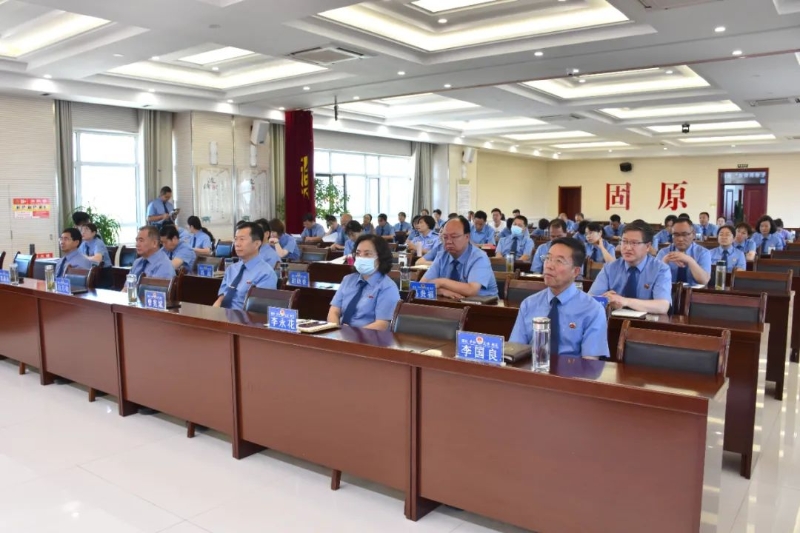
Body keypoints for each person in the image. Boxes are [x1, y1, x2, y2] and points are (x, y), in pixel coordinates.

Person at [509, 238, 609, 357]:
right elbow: (514, 351)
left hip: (572, 368)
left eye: (559, 261)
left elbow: (590, 362)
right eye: (548, 258)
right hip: (532, 366)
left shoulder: (593, 310)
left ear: (576, 271)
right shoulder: (528, 304)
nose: (549, 265)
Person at [588, 222, 672, 314]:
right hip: (614, 319)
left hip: (647, 321)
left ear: (647, 246)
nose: (627, 248)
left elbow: (663, 306)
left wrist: (625, 301)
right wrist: (606, 299)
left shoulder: (660, 269)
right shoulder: (610, 268)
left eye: (634, 243)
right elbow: (591, 299)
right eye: (624, 241)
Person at [328, 234, 401, 330]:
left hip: (368, 337)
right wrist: (336, 330)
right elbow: (334, 311)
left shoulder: (387, 287)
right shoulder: (348, 280)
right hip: (340, 333)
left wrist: (352, 334)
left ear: (380, 258)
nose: (361, 257)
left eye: (367, 254)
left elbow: (382, 324)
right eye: (358, 253)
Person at [422, 216, 498, 298]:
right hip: (451, 303)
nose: (448, 241)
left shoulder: (479, 257)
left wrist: (441, 282)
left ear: (467, 237)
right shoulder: (442, 255)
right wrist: (441, 291)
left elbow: (472, 290)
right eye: (445, 237)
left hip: (484, 303)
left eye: (454, 237)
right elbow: (422, 285)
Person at [213, 222, 277, 309]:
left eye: (242, 239)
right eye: (236, 239)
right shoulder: (231, 269)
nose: (237, 244)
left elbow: (259, 310)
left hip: (245, 316)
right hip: (224, 314)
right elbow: (222, 297)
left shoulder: (266, 274)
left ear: (257, 244)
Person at [655, 218, 711, 286]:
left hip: (694, 292)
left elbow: (704, 281)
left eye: (685, 234)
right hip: (668, 291)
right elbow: (653, 280)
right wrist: (665, 261)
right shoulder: (664, 252)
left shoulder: (703, 253)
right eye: (676, 235)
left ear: (693, 234)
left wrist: (689, 260)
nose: (680, 239)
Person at [76, 222, 113, 288]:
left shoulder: (98, 243)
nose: (83, 232)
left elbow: (97, 259)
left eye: (86, 230)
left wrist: (84, 257)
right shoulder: (83, 244)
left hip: (102, 273)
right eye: (82, 230)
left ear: (93, 233)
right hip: (90, 272)